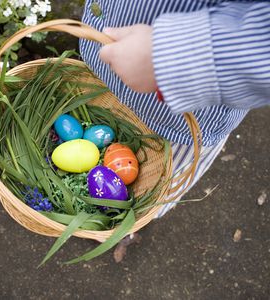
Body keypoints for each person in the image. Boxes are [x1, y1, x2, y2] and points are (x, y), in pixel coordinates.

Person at [79, 1, 270, 260]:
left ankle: (127, 220)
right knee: (92, 117)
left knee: (156, 183)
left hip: (180, 112)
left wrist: (171, 54)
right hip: (104, 54)